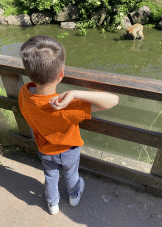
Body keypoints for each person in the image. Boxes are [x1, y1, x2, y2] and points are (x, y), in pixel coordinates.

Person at [18, 35, 119, 215]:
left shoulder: (24, 94)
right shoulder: (69, 105)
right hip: (69, 150)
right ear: (61, 74)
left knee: (50, 177)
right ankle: (74, 197)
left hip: (45, 149)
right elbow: (113, 100)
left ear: (29, 71)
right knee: (72, 175)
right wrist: (75, 93)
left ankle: (53, 204)